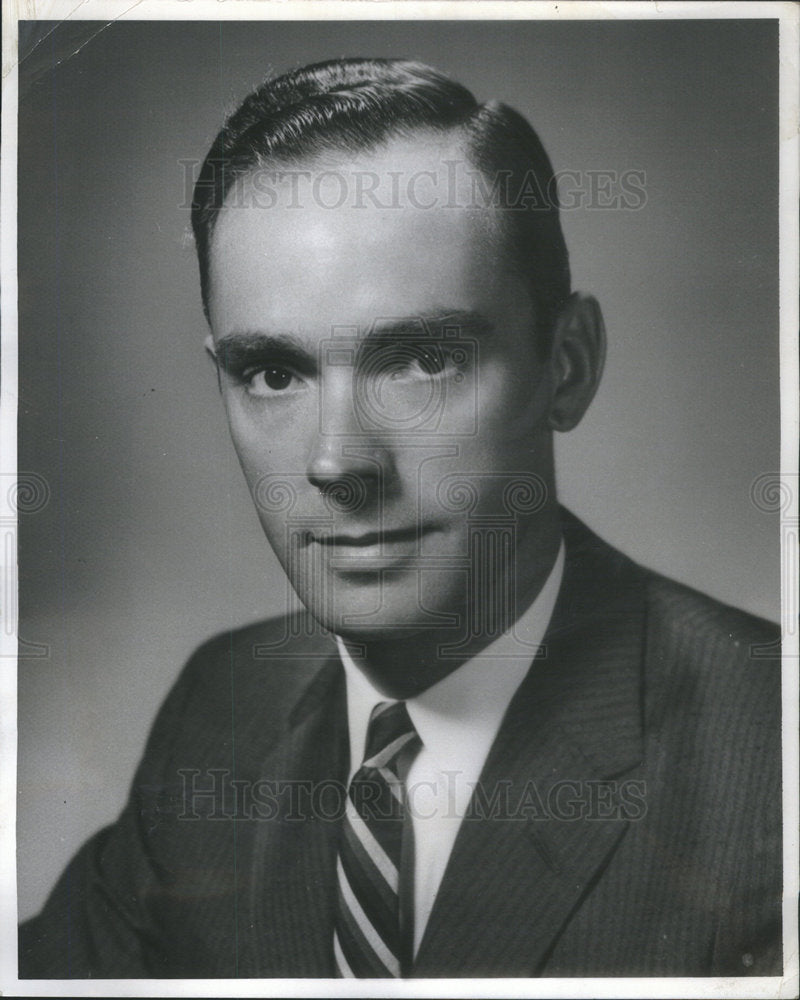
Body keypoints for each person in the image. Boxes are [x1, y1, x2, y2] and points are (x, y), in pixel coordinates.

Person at [19, 57, 781, 979]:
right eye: (274, 373)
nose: (338, 461)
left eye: (421, 360)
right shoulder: (221, 707)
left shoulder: (771, 766)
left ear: (567, 365)